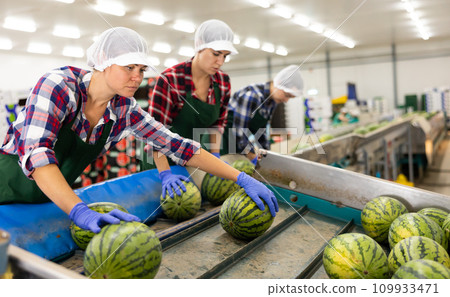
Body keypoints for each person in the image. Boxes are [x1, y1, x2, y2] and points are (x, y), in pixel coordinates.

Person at [0, 27, 278, 235]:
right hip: (6, 186)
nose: (138, 77)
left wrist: (240, 177)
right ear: (103, 62)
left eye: (142, 69)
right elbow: (38, 155)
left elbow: (177, 146)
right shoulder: (58, 86)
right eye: (129, 67)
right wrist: (79, 210)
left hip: (47, 197)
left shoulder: (124, 108)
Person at [146, 19, 238, 199]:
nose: (220, 61)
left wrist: (215, 155)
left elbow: (217, 125)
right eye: (216, 53)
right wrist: (165, 175)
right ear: (199, 47)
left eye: (225, 56)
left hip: (192, 156)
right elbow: (154, 133)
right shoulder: (170, 80)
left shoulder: (223, 82)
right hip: (160, 162)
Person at [221, 65, 303, 164]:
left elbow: (262, 133)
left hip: (239, 143)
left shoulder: (272, 101)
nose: (286, 100)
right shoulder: (252, 96)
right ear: (279, 84)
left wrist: (266, 156)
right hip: (223, 142)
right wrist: (253, 156)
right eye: (286, 95)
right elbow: (239, 132)